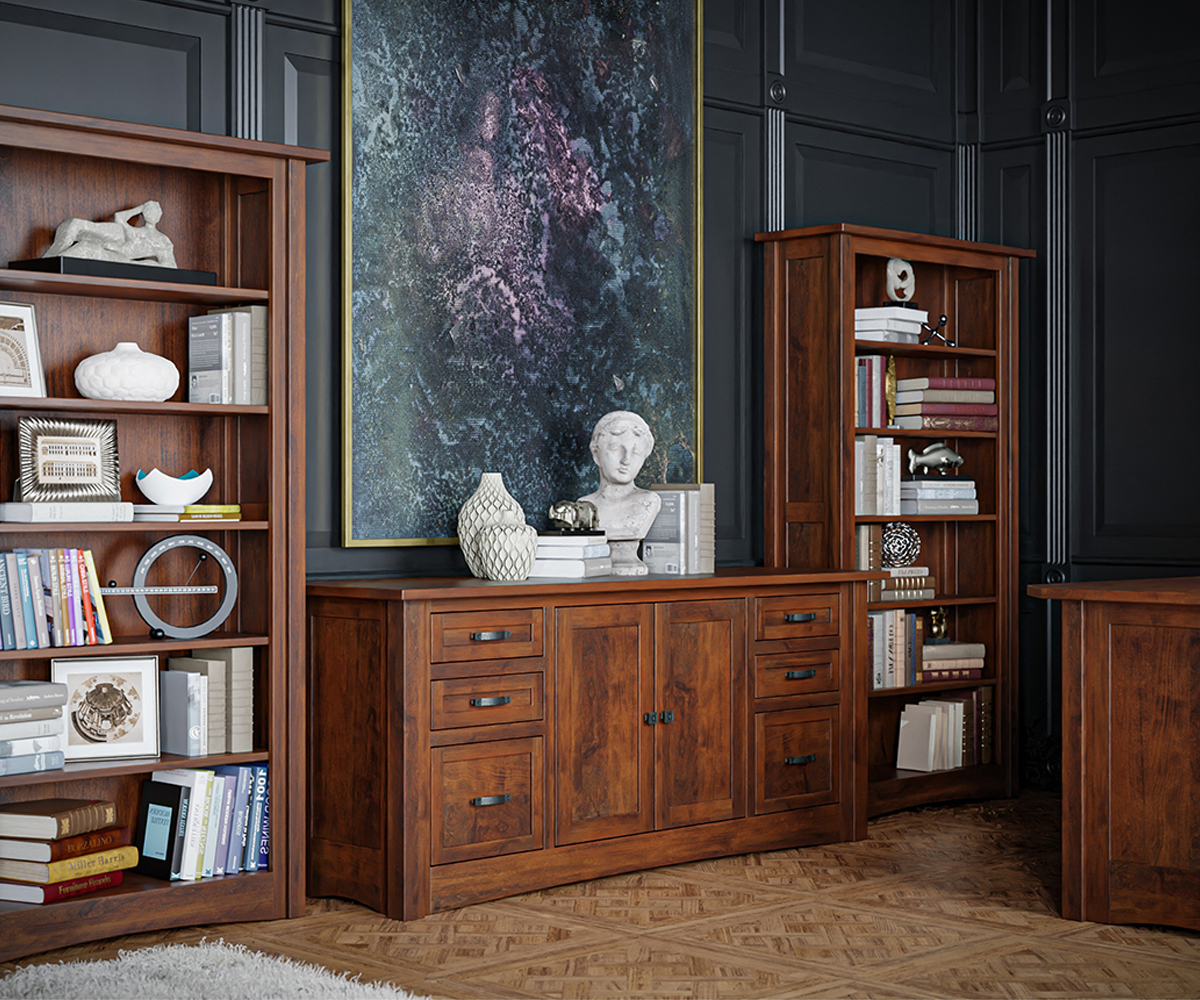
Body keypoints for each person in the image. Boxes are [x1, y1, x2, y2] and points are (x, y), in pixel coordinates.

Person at [578, 410, 661, 574]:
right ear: (596, 454)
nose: (626, 460)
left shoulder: (648, 502)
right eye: (617, 449)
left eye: (635, 452)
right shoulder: (584, 506)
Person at [42, 200, 177, 267]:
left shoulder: (162, 240)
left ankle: (49, 264)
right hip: (116, 244)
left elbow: (170, 267)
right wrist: (139, 208)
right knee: (75, 224)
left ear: (160, 215)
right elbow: (119, 218)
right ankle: (48, 262)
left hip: (119, 258)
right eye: (148, 210)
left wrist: (146, 264)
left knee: (84, 247)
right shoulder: (133, 231)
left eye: (154, 211)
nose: (150, 213)